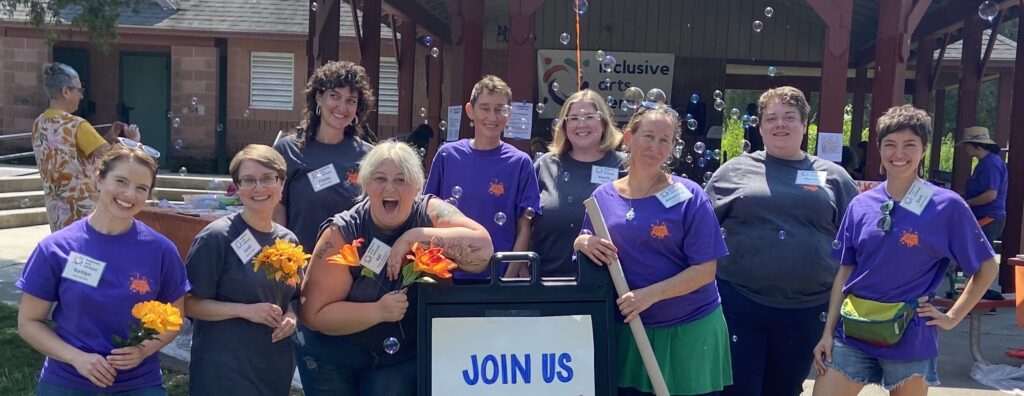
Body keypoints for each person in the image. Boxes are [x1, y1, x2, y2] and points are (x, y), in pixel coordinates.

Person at [812, 105, 998, 395]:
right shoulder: (860, 204)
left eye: (909, 145)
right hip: (853, 332)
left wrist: (952, 317)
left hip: (910, 334)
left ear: (923, 149)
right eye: (890, 145)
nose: (899, 154)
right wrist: (827, 333)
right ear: (879, 149)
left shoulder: (947, 206)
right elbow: (844, 272)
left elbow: (987, 268)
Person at [297, 141, 493, 395]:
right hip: (331, 356)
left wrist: (414, 237)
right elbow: (313, 313)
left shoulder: (430, 213)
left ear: (417, 187)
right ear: (366, 185)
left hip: (397, 356)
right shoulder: (341, 233)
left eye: (401, 180)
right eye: (380, 179)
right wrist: (378, 311)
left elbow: (484, 251)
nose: (390, 187)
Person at [704, 86, 859, 396]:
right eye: (771, 118)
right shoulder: (733, 171)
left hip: (808, 308)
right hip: (739, 302)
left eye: (790, 117)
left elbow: (858, 241)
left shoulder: (835, 177)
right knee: (736, 390)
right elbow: (700, 231)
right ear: (759, 126)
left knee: (785, 389)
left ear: (804, 125)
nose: (780, 124)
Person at [574, 102, 731, 395]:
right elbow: (589, 247)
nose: (655, 147)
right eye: (648, 136)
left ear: (673, 148)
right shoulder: (602, 197)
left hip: (689, 330)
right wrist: (581, 242)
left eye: (665, 141)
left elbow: (706, 270)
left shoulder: (690, 197)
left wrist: (648, 296)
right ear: (629, 138)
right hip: (629, 330)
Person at [17, 145, 190, 395]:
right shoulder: (56, 248)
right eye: (121, 181)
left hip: (138, 383)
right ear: (98, 178)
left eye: (141, 188)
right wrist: (77, 358)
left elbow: (175, 318)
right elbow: (28, 323)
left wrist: (143, 350)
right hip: (67, 379)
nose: (129, 194)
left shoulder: (161, 250)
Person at [183, 145, 299, 395]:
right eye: (249, 180)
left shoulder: (289, 241)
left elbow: (295, 298)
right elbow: (189, 304)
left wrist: (292, 316)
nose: (259, 188)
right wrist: (244, 311)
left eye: (268, 178)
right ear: (236, 187)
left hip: (272, 367)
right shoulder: (216, 238)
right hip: (224, 372)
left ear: (282, 183)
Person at [424, 75, 540, 279]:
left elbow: (525, 224)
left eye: (500, 109)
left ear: (509, 113)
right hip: (449, 277)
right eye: (485, 108)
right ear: (470, 110)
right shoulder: (447, 156)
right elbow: (428, 213)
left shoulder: (520, 162)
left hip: (499, 276)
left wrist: (509, 276)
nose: (492, 117)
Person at [274, 61, 376, 252]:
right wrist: (282, 260)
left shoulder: (370, 157)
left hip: (350, 270)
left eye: (351, 100)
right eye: (334, 96)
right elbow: (276, 211)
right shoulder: (287, 150)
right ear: (319, 97)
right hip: (300, 265)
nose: (342, 107)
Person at [33, 62, 143, 232]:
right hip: (84, 212)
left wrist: (108, 139)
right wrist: (132, 141)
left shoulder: (39, 123)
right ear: (65, 92)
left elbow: (74, 154)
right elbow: (114, 160)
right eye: (79, 90)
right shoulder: (76, 125)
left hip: (57, 210)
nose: (82, 96)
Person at [527, 89, 625, 278]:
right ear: (563, 126)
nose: (581, 124)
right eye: (573, 118)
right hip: (547, 282)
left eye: (589, 116)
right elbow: (524, 220)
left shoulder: (623, 165)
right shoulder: (545, 165)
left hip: (606, 284)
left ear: (603, 122)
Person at [957, 126, 1008, 249]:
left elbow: (991, 195)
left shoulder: (991, 164)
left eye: (966, 145)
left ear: (977, 146)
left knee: (979, 257)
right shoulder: (986, 162)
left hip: (988, 218)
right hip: (984, 217)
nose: (965, 148)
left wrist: (965, 203)